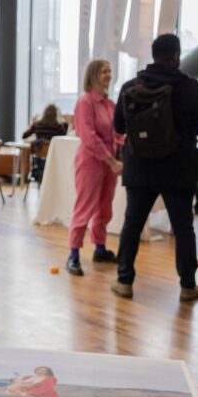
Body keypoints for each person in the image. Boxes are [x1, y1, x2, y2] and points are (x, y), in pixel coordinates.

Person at [112, 34, 198, 302]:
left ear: (153, 54)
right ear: (176, 56)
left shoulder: (129, 86)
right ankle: (188, 286)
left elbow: (119, 127)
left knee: (132, 224)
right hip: (178, 169)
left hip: (139, 167)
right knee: (183, 227)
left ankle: (124, 281)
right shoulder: (191, 87)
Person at [67, 60, 122, 277]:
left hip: (110, 162)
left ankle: (100, 248)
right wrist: (111, 161)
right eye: (104, 71)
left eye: (110, 70)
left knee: (104, 207)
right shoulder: (85, 102)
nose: (108, 74)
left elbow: (117, 133)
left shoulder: (110, 104)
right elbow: (88, 137)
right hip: (91, 161)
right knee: (85, 207)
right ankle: (73, 255)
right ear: (93, 75)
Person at [22, 104, 68, 184]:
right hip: (53, 156)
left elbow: (24, 136)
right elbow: (63, 136)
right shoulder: (57, 127)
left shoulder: (37, 125)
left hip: (38, 155)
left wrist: (31, 124)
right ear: (55, 114)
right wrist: (66, 123)